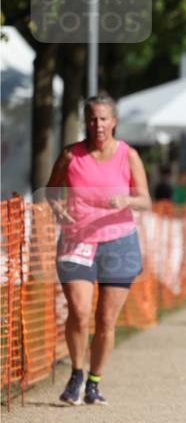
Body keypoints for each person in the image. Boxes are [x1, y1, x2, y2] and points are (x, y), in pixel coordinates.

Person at [46, 93, 151, 406]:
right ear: (85, 122)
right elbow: (52, 190)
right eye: (92, 119)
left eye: (104, 118)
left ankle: (94, 381)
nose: (98, 124)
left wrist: (127, 200)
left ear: (114, 122)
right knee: (78, 312)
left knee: (106, 320)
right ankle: (77, 372)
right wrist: (57, 209)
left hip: (119, 242)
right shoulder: (71, 155)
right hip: (76, 240)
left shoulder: (127, 155)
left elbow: (145, 199)